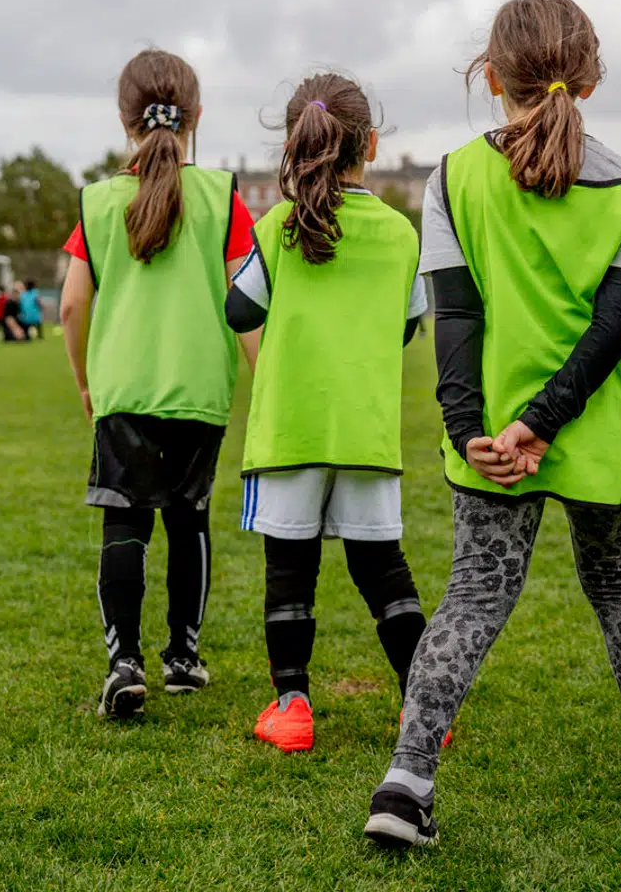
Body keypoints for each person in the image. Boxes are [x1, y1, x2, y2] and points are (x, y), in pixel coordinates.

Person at [363, 0, 621, 850]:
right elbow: (611, 330)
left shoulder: (449, 177)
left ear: (489, 74)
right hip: (594, 430)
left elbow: (456, 317)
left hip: (493, 439)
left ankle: (405, 787)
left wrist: (475, 423)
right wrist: (545, 424)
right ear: (588, 77)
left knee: (473, 594)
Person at [225, 74, 432, 754]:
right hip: (366, 427)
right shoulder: (401, 234)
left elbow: (240, 310)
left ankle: (292, 709)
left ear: (293, 145)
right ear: (370, 144)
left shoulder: (279, 226)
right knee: (383, 569)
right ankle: (424, 708)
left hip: (291, 427)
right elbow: (407, 327)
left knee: (290, 570)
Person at [58, 48, 255, 720]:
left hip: (123, 389)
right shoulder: (225, 196)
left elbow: (70, 306)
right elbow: (245, 303)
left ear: (123, 120)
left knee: (125, 522)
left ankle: (123, 663)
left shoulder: (97, 202)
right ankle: (183, 659)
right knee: (189, 520)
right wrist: (270, 378)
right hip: (198, 391)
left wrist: (86, 381)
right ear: (197, 116)